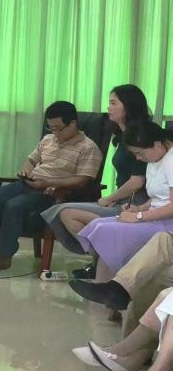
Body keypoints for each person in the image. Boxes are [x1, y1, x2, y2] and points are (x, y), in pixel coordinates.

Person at [0, 101, 103, 274]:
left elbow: (81, 181)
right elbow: (31, 160)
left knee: (13, 206)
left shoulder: (88, 148)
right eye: (51, 128)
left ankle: (3, 257)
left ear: (73, 123)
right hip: (27, 184)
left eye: (58, 128)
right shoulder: (48, 139)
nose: (55, 132)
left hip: (52, 193)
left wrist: (49, 183)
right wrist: (26, 171)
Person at [43, 84, 150, 278]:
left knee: (65, 212)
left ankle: (105, 257)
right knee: (61, 212)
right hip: (121, 201)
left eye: (113, 103)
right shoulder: (122, 136)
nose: (108, 107)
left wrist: (109, 198)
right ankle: (103, 258)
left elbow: (137, 181)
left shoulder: (141, 136)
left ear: (128, 106)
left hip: (135, 203)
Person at [74, 121, 173, 274]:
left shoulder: (170, 161)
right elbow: (160, 198)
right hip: (154, 217)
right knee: (97, 225)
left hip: (167, 224)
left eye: (140, 153)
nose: (138, 158)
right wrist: (139, 209)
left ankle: (107, 283)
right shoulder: (155, 158)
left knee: (108, 231)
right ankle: (104, 282)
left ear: (157, 144)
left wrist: (139, 216)